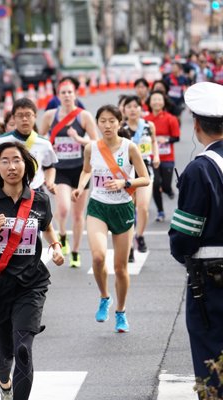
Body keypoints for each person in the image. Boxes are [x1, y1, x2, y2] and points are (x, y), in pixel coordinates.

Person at [0, 141, 64, 400]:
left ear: (27, 165)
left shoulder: (39, 199)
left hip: (31, 283)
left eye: (17, 160)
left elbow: (46, 226)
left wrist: (56, 245)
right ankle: (4, 383)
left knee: (24, 348)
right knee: (6, 351)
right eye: (4, 161)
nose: (11, 166)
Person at [169, 82, 223, 400]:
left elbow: (184, 236)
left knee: (212, 364)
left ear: (195, 122)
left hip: (212, 281)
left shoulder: (200, 169)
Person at [72, 105, 150, 332]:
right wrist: (80, 187)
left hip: (123, 209)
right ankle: (105, 297)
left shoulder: (130, 148)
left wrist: (124, 183)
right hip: (98, 207)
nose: (107, 125)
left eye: (111, 121)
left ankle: (121, 311)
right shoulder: (91, 148)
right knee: (97, 257)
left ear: (119, 122)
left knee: (121, 268)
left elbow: (144, 179)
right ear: (97, 123)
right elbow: (86, 171)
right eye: (102, 121)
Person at [39, 80, 98, 267]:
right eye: (63, 92)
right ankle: (62, 235)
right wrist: (51, 144)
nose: (66, 95)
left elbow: (96, 143)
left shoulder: (84, 116)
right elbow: (39, 141)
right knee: (63, 208)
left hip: (81, 170)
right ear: (57, 95)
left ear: (75, 95)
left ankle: (75, 251)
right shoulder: (49, 115)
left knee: (79, 215)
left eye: (70, 92)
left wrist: (78, 138)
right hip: (59, 169)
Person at [0, 98, 58, 194]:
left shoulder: (44, 143)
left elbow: (49, 166)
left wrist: (50, 182)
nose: (24, 119)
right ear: (13, 117)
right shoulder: (0, 141)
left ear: (35, 116)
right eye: (20, 115)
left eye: (28, 115)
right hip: (8, 192)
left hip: (35, 191)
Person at [123, 95, 160, 259]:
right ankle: (129, 245)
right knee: (129, 209)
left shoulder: (148, 125)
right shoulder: (120, 128)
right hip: (127, 172)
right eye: (128, 106)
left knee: (143, 207)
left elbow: (154, 141)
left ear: (141, 108)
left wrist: (156, 156)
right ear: (124, 110)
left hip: (145, 169)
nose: (132, 109)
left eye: (135, 106)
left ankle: (140, 236)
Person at [145, 91, 180, 222]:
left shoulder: (170, 118)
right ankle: (160, 212)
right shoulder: (145, 120)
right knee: (155, 184)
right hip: (151, 157)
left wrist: (166, 141)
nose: (157, 102)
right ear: (150, 102)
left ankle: (168, 190)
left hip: (167, 158)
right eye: (154, 100)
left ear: (164, 102)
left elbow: (177, 137)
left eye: (159, 99)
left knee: (165, 185)